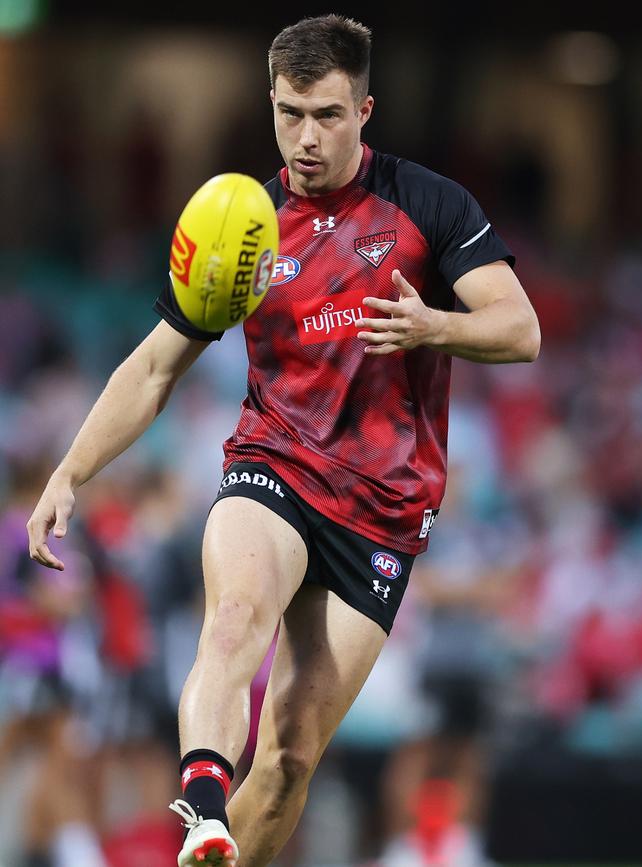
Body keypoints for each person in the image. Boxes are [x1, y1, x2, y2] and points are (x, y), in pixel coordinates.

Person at [26, 13, 541, 867]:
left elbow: (518, 330)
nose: (305, 137)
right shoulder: (244, 223)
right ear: (271, 102)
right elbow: (155, 368)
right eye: (290, 112)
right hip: (275, 467)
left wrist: (429, 324)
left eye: (328, 115)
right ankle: (200, 802)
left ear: (365, 109)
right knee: (233, 618)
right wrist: (70, 471)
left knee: (293, 752)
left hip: (382, 513)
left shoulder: (429, 203)